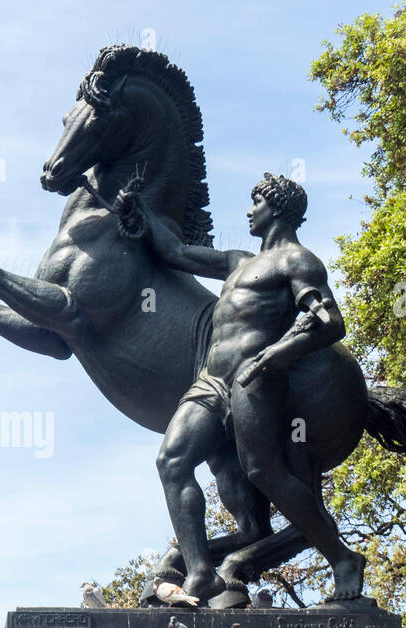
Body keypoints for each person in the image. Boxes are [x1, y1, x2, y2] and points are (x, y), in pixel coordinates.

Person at [121, 173, 366, 602]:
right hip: (211, 380)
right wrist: (137, 208)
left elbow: (331, 322)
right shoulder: (238, 261)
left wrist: (279, 355)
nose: (249, 211)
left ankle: (342, 558)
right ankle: (200, 573)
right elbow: (174, 252)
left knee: (263, 472)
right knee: (172, 461)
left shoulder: (298, 262)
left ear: (278, 208)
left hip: (254, 380)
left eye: (256, 202)